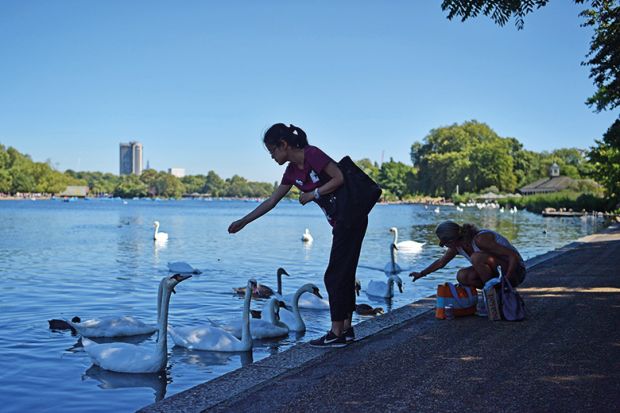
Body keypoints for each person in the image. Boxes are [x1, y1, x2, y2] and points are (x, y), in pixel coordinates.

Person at [228, 123, 369, 348]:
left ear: (284, 145)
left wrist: (313, 194)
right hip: (341, 221)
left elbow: (339, 177)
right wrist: (244, 221)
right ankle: (346, 329)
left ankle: (336, 333)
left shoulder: (312, 154)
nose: (272, 156)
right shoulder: (292, 171)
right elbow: (272, 201)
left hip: (350, 218)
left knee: (334, 276)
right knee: (343, 273)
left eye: (273, 150)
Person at [409, 220, 526, 289]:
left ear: (452, 240)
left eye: (444, 243)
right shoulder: (457, 246)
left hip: (516, 271)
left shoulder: (480, 239)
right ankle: (494, 294)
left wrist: (508, 278)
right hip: (500, 273)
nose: (444, 246)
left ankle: (494, 295)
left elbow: (512, 256)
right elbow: (441, 262)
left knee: (477, 258)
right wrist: (421, 274)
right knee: (462, 276)